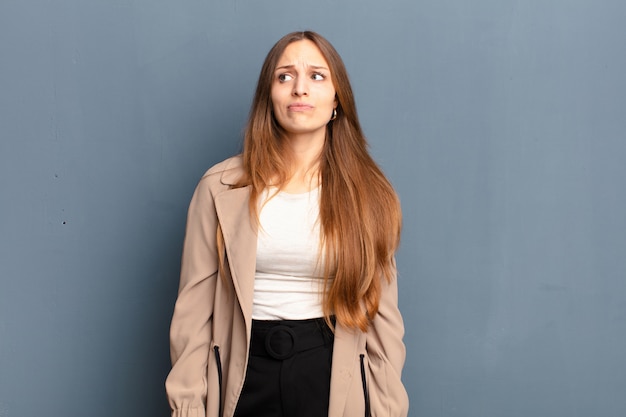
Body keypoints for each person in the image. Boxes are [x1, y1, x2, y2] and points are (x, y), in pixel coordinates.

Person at [165, 30, 409, 417]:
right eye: (284, 76)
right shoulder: (219, 187)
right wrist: (188, 406)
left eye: (316, 76)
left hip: (330, 370)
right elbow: (192, 314)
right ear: (270, 97)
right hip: (242, 370)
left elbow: (383, 322)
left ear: (336, 101)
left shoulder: (369, 194)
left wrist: (387, 408)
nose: (299, 88)